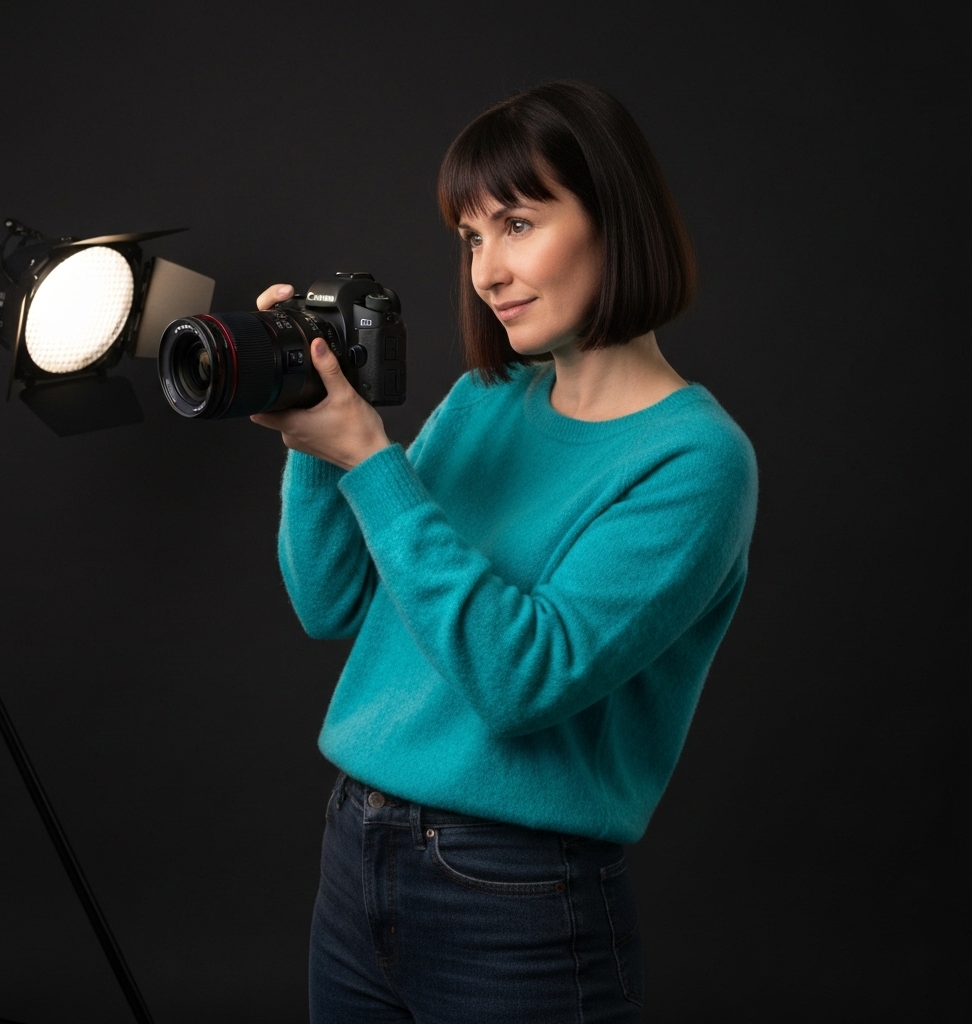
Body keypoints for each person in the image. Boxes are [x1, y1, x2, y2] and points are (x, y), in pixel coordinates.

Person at [251, 80, 757, 1024]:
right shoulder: (488, 397)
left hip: (509, 894)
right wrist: (312, 444)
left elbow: (521, 678)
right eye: (472, 238)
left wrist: (371, 459)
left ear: (615, 219)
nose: (486, 273)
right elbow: (328, 604)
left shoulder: (695, 461)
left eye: (518, 223)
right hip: (354, 847)